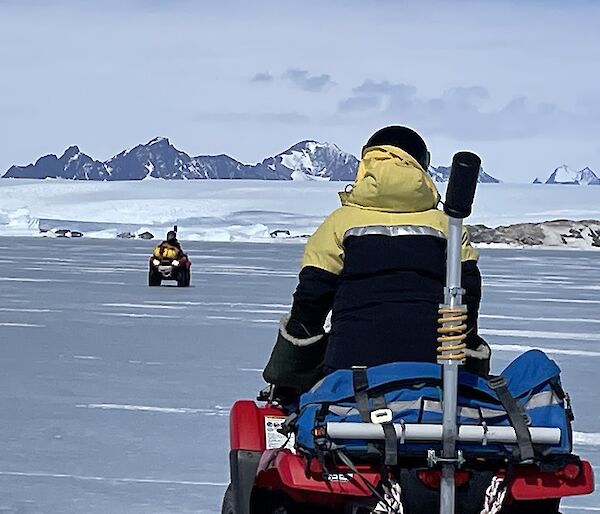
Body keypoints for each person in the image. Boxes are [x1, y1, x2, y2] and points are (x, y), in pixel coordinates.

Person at [263, 126, 490, 399]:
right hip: (436, 373)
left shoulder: (339, 223)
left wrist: (289, 373)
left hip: (348, 369)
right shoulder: (447, 227)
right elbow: (467, 300)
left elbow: (310, 301)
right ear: (422, 167)